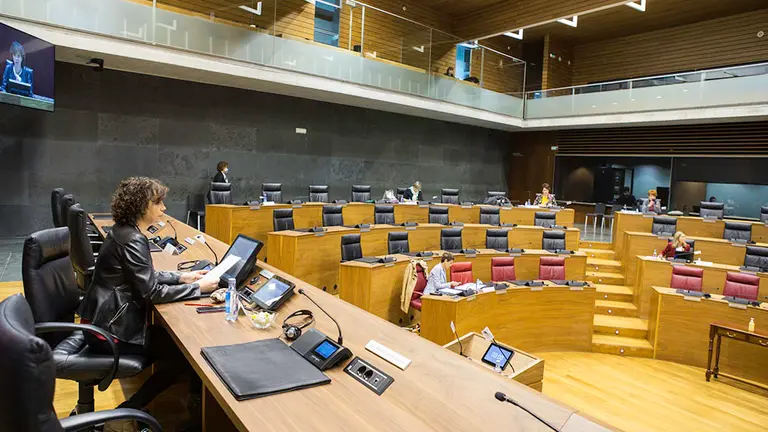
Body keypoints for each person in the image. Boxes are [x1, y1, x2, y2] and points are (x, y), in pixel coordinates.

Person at [78, 177, 220, 414]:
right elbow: (152, 291)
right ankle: (125, 413)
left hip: (102, 320)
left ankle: (190, 405)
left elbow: (144, 274)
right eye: (158, 202)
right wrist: (200, 288)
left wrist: (182, 277)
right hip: (109, 333)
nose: (163, 208)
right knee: (182, 353)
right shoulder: (132, 239)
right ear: (141, 205)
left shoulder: (122, 231)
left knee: (175, 343)